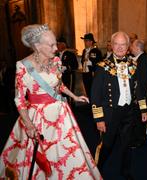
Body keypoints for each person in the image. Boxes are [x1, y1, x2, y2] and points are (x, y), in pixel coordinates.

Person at [0, 24, 102, 180]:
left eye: (56, 43)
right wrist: (28, 124)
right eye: (51, 45)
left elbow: (58, 85)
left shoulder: (55, 61)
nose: (56, 48)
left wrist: (74, 97)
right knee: (42, 155)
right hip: (37, 117)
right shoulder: (22, 66)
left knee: (67, 152)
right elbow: (19, 99)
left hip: (61, 114)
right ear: (37, 46)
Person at [91, 31, 147, 180]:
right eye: (116, 44)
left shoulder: (133, 65)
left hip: (128, 111)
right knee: (107, 145)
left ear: (128, 47)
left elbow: (139, 89)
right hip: (110, 113)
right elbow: (95, 95)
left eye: (123, 44)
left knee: (126, 144)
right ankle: (98, 169)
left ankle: (125, 171)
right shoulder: (102, 66)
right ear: (111, 45)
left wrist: (143, 108)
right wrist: (99, 119)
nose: (120, 47)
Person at [129, 39, 147, 148]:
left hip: (140, 95)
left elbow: (142, 81)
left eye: (132, 46)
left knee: (140, 117)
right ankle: (135, 138)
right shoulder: (136, 58)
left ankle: (140, 140)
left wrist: (138, 96)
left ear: (137, 48)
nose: (130, 48)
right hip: (135, 95)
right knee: (135, 117)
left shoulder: (143, 59)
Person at [56, 37, 79, 103]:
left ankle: (70, 109)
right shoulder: (56, 55)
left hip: (68, 76)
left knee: (69, 94)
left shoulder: (70, 54)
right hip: (59, 77)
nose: (57, 46)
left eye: (59, 44)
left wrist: (66, 67)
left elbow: (75, 66)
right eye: (57, 44)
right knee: (61, 94)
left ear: (63, 45)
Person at [81, 33, 102, 98]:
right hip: (85, 74)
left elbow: (99, 63)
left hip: (92, 74)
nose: (85, 42)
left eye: (86, 41)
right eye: (85, 41)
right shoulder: (84, 51)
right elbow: (82, 61)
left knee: (94, 92)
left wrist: (90, 63)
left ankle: (95, 106)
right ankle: (90, 106)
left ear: (91, 42)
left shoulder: (96, 51)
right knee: (88, 92)